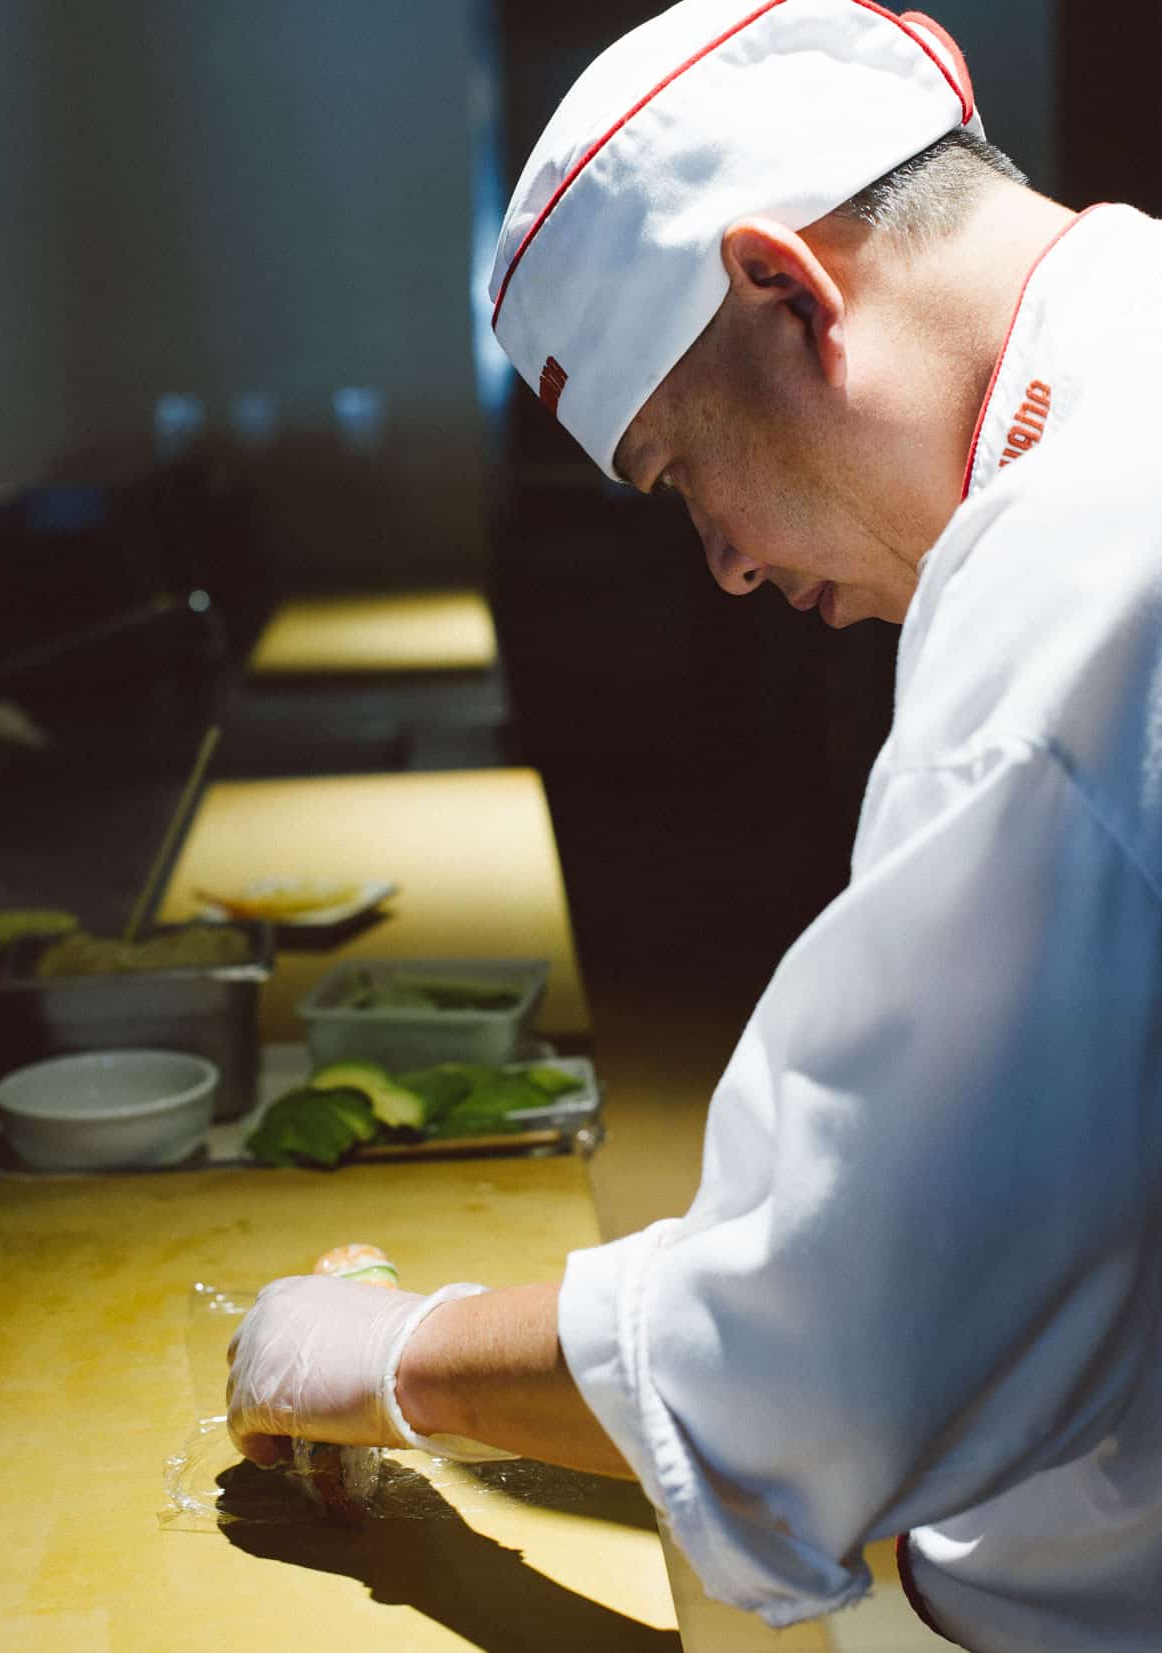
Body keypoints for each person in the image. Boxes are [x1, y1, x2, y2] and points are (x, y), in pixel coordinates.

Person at [226, 4, 1162, 1647]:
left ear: (788, 291)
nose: (725, 564)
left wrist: (389, 1352)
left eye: (681, 474)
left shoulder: (1080, 579)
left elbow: (830, 1346)